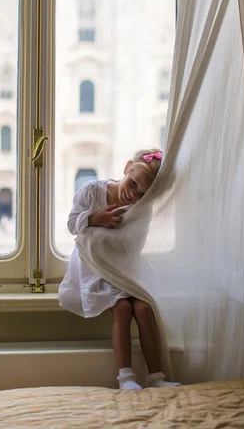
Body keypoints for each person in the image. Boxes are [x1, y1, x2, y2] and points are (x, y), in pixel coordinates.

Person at [59, 148, 179, 390]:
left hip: (124, 265)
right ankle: (126, 377)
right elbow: (72, 224)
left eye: (142, 193)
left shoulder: (141, 206)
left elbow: (135, 243)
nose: (132, 195)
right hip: (96, 265)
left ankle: (157, 377)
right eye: (132, 184)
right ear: (126, 169)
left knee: (145, 309)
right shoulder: (93, 191)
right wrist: (94, 219)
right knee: (122, 308)